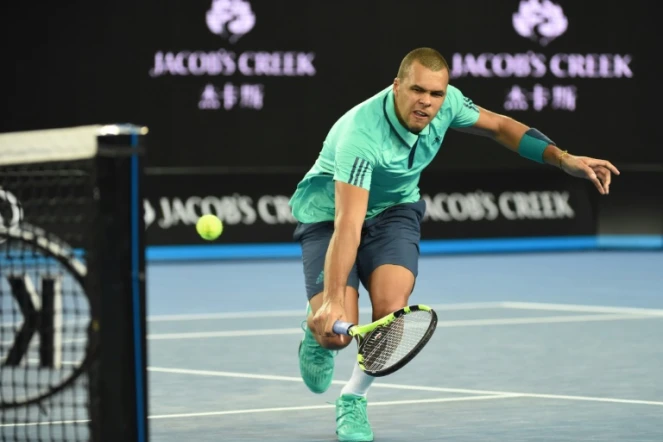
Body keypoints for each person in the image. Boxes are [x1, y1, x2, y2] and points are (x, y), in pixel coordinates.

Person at [288, 47, 619, 442]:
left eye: (436, 93)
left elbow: (501, 127)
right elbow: (348, 223)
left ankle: (353, 400)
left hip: (395, 211)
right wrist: (330, 306)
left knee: (392, 318)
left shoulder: (448, 105)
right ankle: (317, 334)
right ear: (397, 87)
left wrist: (562, 158)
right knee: (336, 333)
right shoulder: (360, 136)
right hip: (332, 217)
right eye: (416, 91)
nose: (426, 102)